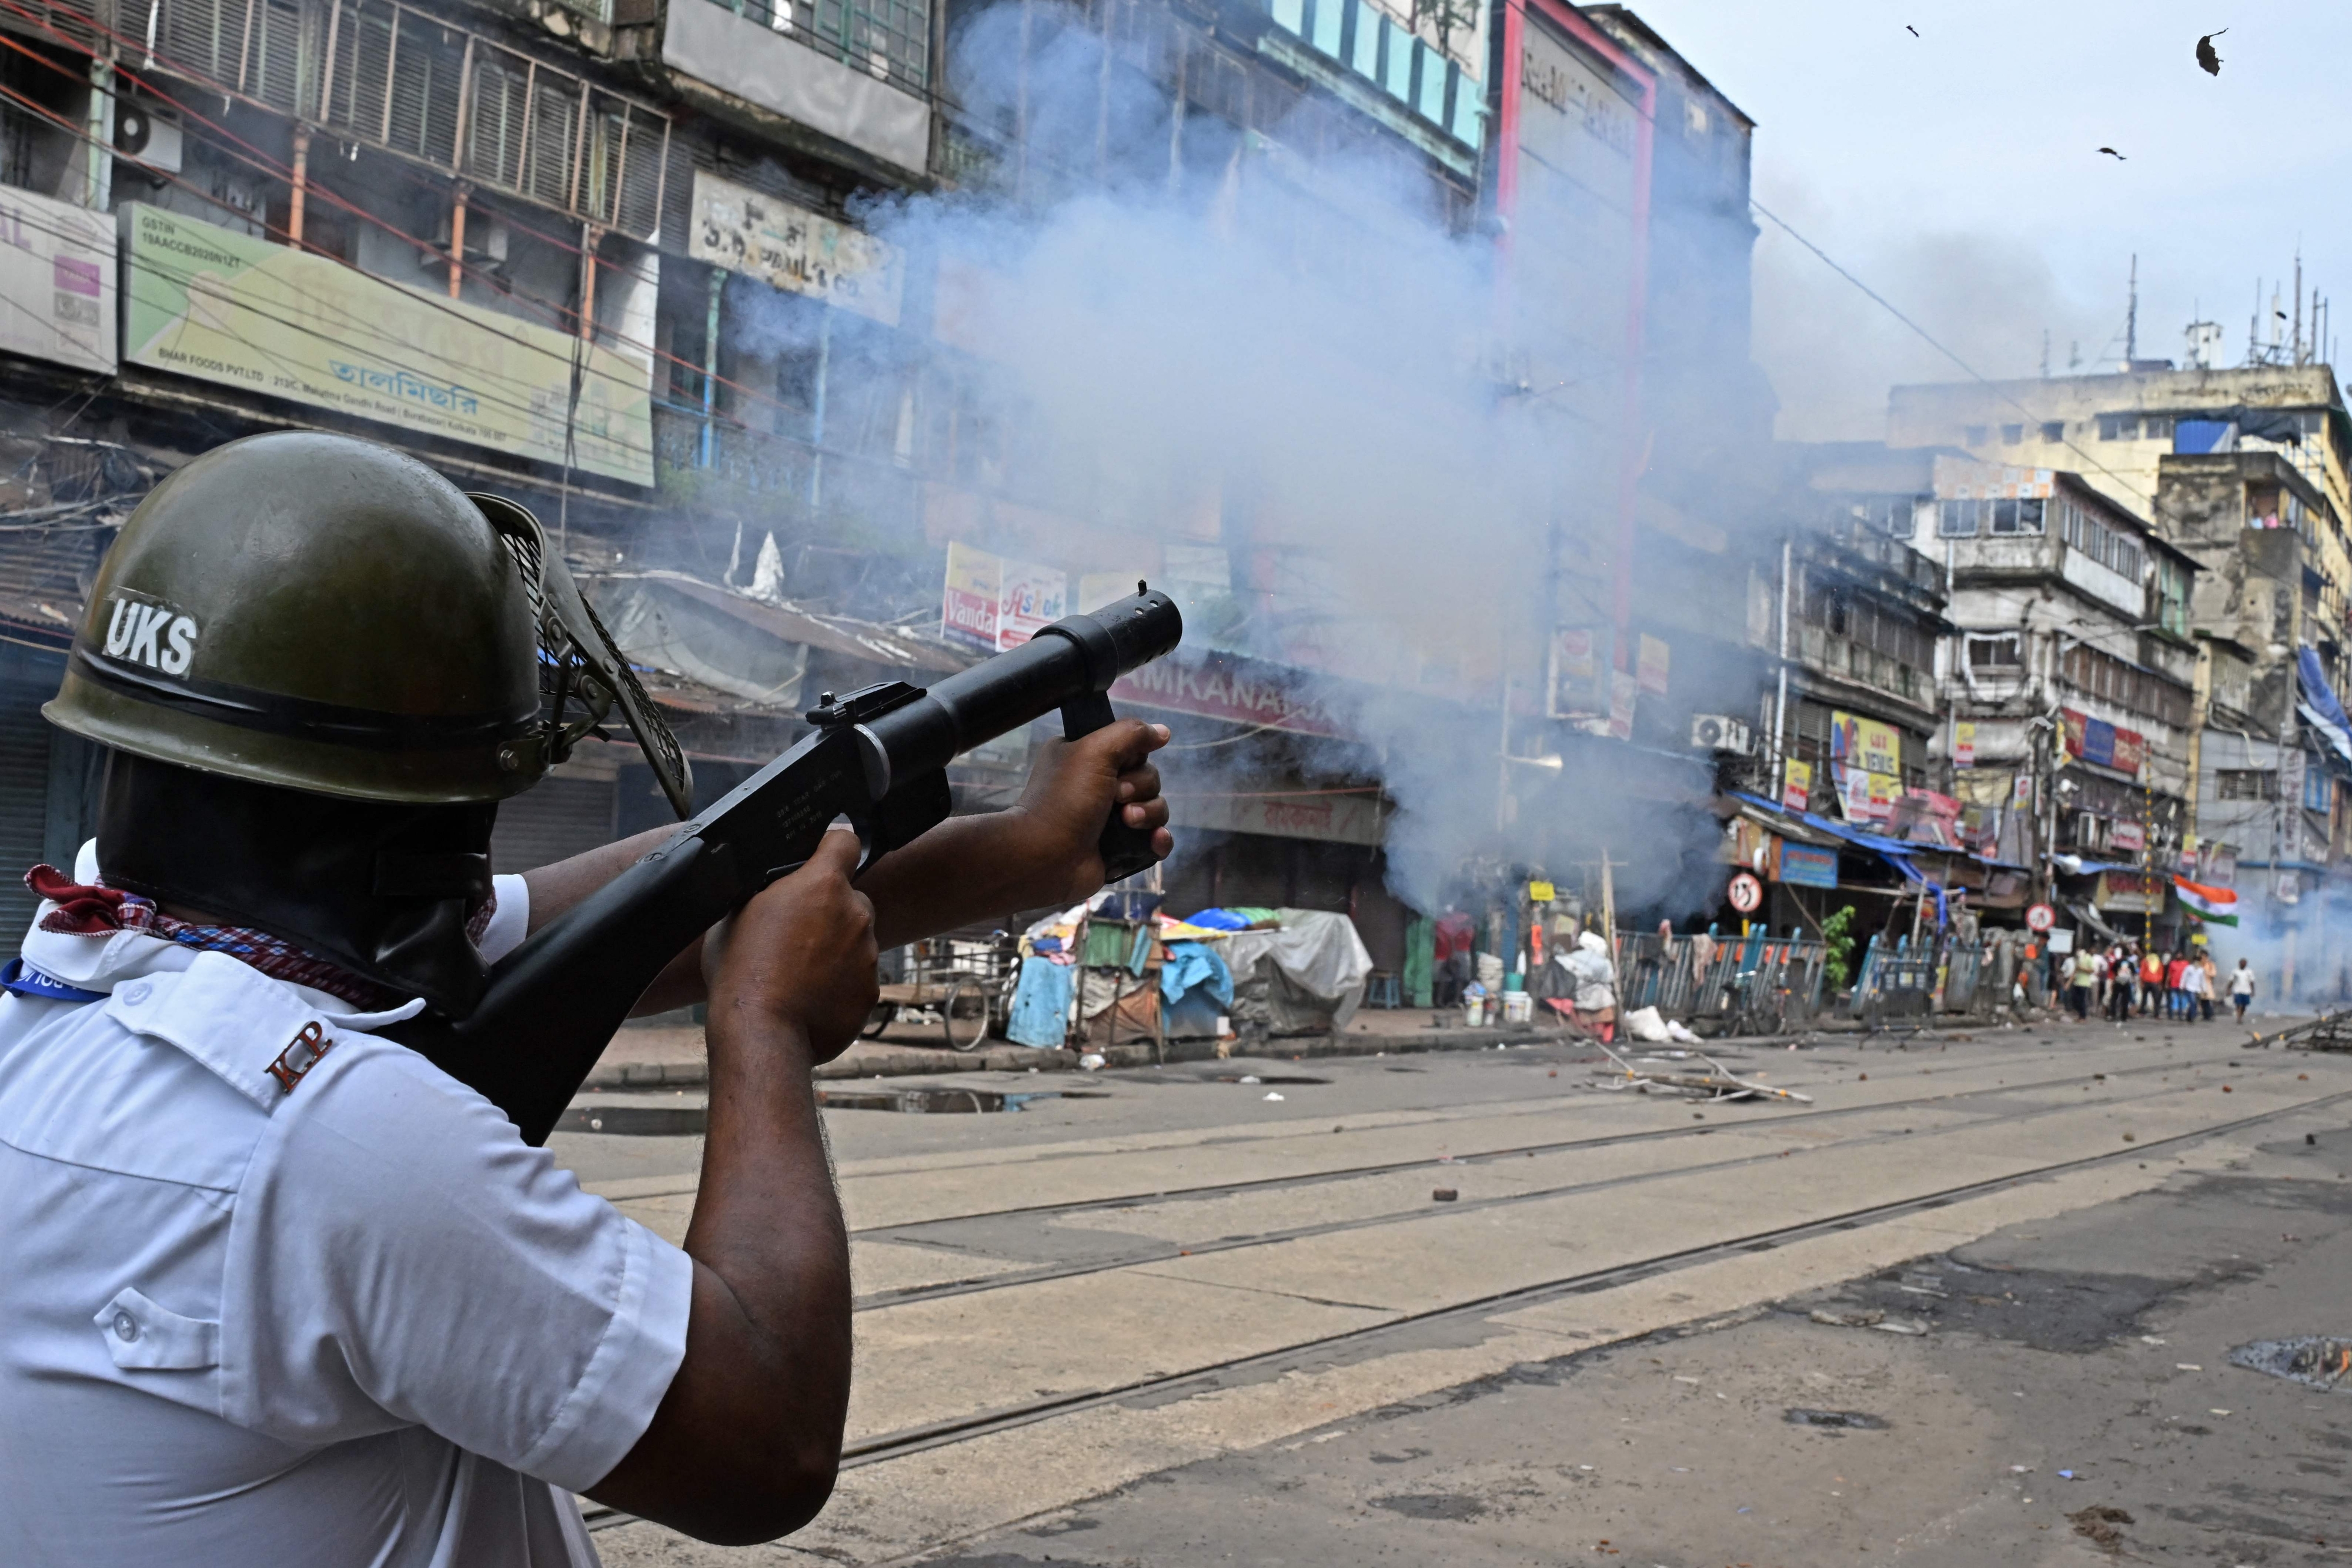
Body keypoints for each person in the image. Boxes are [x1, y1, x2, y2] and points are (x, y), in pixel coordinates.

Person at [0, 432, 1178, 1564]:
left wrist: (1023, 848)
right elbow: (764, 1445)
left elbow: (636, 906)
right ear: (432, 812)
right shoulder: (333, 1140)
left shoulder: (85, 966)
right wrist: (762, 1023)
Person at [2068, 942, 2099, 1021]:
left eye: (2080, 950)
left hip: (2084, 983)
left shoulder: (2088, 958)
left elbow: (2092, 970)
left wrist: (2082, 969)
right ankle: (2079, 1015)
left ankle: (2083, 1016)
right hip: (2077, 982)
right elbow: (2076, 970)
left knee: (2082, 1000)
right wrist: (2069, 982)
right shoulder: (2078, 959)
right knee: (2075, 999)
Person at [2230, 957, 2257, 1022]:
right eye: (2242, 963)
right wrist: (2228, 989)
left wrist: (2253, 991)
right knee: (2238, 1004)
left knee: (2244, 1005)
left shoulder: (2249, 972)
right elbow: (2231, 981)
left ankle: (2241, 1015)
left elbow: (2252, 982)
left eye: (2244, 964)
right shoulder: (2235, 971)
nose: (2243, 965)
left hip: (2246, 991)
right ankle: (2239, 1018)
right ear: (2239, 964)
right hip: (2237, 991)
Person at [2140, 947, 2164, 1017]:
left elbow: (2142, 972)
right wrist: (2160, 984)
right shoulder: (2159, 962)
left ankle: (2142, 1012)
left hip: (2146, 981)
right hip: (2155, 982)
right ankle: (2156, 1014)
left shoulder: (2145, 960)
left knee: (2144, 998)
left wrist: (2142, 982)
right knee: (2156, 999)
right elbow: (2161, 973)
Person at [2198, 951, 2220, 1022]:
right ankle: (2205, 1015)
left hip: (2207, 984)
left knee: (2207, 1000)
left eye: (2204, 956)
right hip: (2199, 984)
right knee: (2202, 1001)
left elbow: (2214, 974)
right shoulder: (2198, 964)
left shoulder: (2210, 964)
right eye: (2202, 956)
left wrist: (2206, 972)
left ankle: (2210, 1015)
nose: (2203, 958)